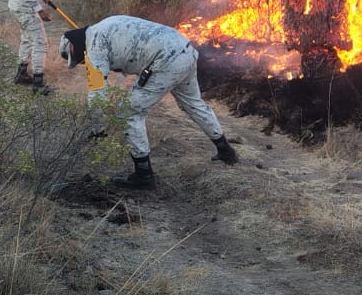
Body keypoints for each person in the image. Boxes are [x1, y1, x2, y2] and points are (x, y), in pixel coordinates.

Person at [62, 15, 238, 190]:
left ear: (73, 45)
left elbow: (97, 93)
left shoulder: (94, 45)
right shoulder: (104, 26)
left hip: (165, 60)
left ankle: (143, 175)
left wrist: (97, 128)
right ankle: (226, 151)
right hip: (185, 50)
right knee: (193, 103)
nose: (81, 62)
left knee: (129, 112)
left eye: (76, 58)